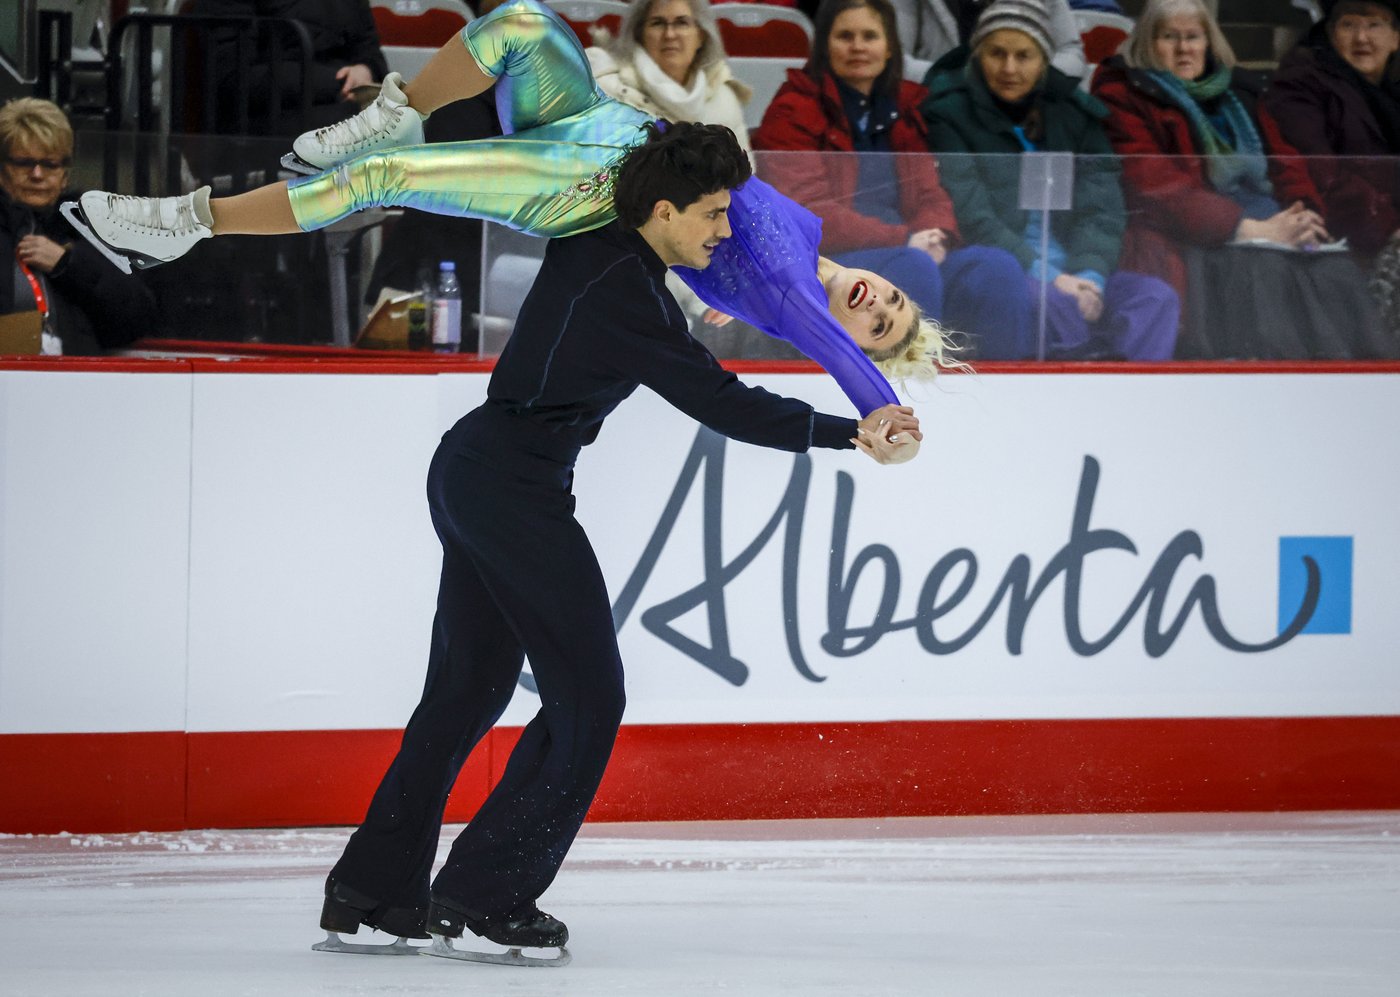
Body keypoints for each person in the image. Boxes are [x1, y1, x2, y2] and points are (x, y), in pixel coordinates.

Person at [315, 121, 920, 962]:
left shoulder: (605, 244)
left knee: (467, 691)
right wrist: (846, 433)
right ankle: (486, 894)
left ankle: (372, 887)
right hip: (510, 490)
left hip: (481, 470)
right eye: (712, 215)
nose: (724, 231)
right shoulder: (625, 292)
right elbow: (721, 401)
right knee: (590, 698)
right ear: (665, 210)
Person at [69, 0, 962, 419]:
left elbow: (838, 356)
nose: (876, 308)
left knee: (381, 183)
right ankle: (389, 111)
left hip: (588, 188)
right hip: (608, 120)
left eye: (881, 327)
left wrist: (886, 409)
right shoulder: (810, 235)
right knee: (523, 22)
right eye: (893, 302)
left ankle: (182, 225)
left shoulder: (787, 300)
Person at [1090, 0, 1391, 358]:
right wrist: (1247, 229)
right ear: (1147, 43)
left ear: (1209, 41)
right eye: (1169, 37)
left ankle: (1361, 385)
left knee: (1334, 271)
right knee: (1264, 269)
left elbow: (1286, 161)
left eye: (1194, 36)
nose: (1184, 48)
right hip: (1197, 233)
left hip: (1268, 221)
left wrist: (1303, 213)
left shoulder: (1240, 91)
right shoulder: (1124, 92)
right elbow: (1153, 185)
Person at [755, 0, 1033, 359]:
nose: (858, 46)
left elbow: (931, 192)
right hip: (832, 263)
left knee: (997, 268)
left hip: (908, 247)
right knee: (911, 268)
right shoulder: (792, 109)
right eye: (845, 36)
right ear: (824, 45)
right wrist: (904, 240)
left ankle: (1005, 397)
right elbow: (808, 212)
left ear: (889, 49)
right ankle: (907, 396)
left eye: (870, 35)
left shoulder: (905, 107)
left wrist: (936, 234)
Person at [922, 0, 1179, 360]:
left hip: (1080, 272)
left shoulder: (1076, 116)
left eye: (1024, 55)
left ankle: (1143, 407)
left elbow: (1103, 210)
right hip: (1012, 271)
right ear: (977, 56)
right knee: (1053, 303)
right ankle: (1074, 402)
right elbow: (973, 215)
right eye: (997, 53)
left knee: (1154, 300)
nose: (1010, 68)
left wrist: (1091, 278)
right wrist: (1052, 278)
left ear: (1044, 60)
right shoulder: (949, 114)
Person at [1263, 0, 1400, 334]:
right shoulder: (1300, 85)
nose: (1362, 38)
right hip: (1349, 238)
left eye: (1375, 25)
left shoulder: (1391, 90)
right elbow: (1326, 175)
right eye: (1349, 25)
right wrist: (1391, 228)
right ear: (1330, 32)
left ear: (1396, 38)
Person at [0, 98, 158, 356]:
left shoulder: (88, 228)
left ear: (64, 176)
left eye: (50, 164)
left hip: (74, 384)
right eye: (24, 163)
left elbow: (137, 319)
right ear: (2, 169)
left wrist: (68, 266)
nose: (37, 174)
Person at [193, 0, 390, 134]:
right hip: (264, 117)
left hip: (338, 102)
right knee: (372, 129)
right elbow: (232, 76)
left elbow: (370, 49)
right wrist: (337, 83)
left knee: (410, 120)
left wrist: (365, 70)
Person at [585, 0, 751, 150]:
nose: (670, 34)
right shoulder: (607, 91)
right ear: (639, 34)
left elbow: (745, 178)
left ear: (701, 35)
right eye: (657, 23)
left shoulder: (724, 98)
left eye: (681, 23)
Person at [892, 0, 1086, 76]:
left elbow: (1072, 56)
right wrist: (963, 79)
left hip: (1026, 107)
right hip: (935, 108)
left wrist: (1027, 77)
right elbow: (894, 60)